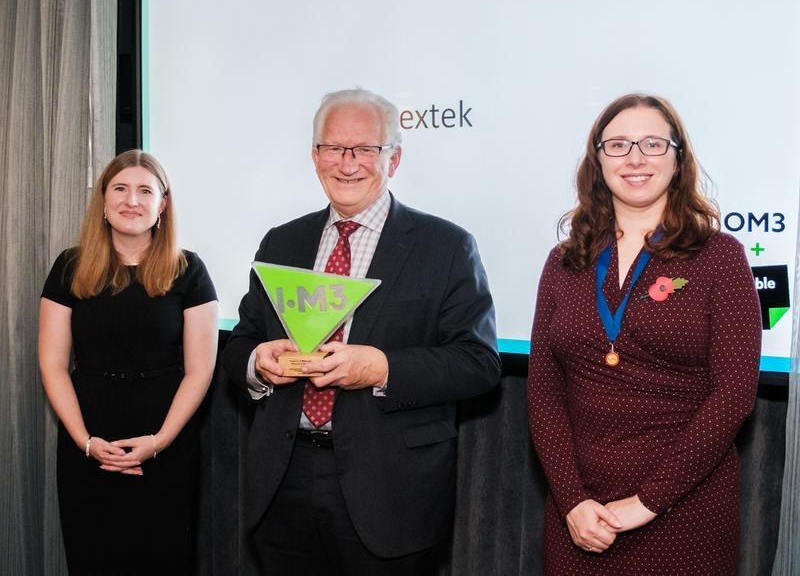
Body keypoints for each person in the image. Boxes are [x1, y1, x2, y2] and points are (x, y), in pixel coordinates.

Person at [224, 88, 500, 574]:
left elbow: (477, 364)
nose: (347, 163)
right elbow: (243, 340)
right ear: (315, 156)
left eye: (366, 149)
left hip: (390, 488)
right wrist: (257, 363)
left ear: (393, 159)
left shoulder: (447, 246)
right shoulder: (281, 241)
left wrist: (381, 368)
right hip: (281, 482)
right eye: (333, 148)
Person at [527, 93, 762, 574]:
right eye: (617, 145)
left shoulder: (720, 257)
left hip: (684, 508)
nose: (635, 158)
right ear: (597, 162)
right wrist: (572, 500)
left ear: (678, 159)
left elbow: (734, 395)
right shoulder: (564, 262)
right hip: (581, 516)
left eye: (653, 144)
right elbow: (544, 393)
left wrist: (649, 501)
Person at [39, 149, 218, 575]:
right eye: (120, 188)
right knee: (92, 558)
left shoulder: (189, 271)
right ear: (103, 201)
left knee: (163, 559)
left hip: (166, 444)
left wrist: (158, 442)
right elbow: (52, 364)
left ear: (163, 203)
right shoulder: (69, 267)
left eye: (145, 190)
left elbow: (201, 370)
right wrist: (85, 441)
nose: (131, 200)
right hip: (87, 442)